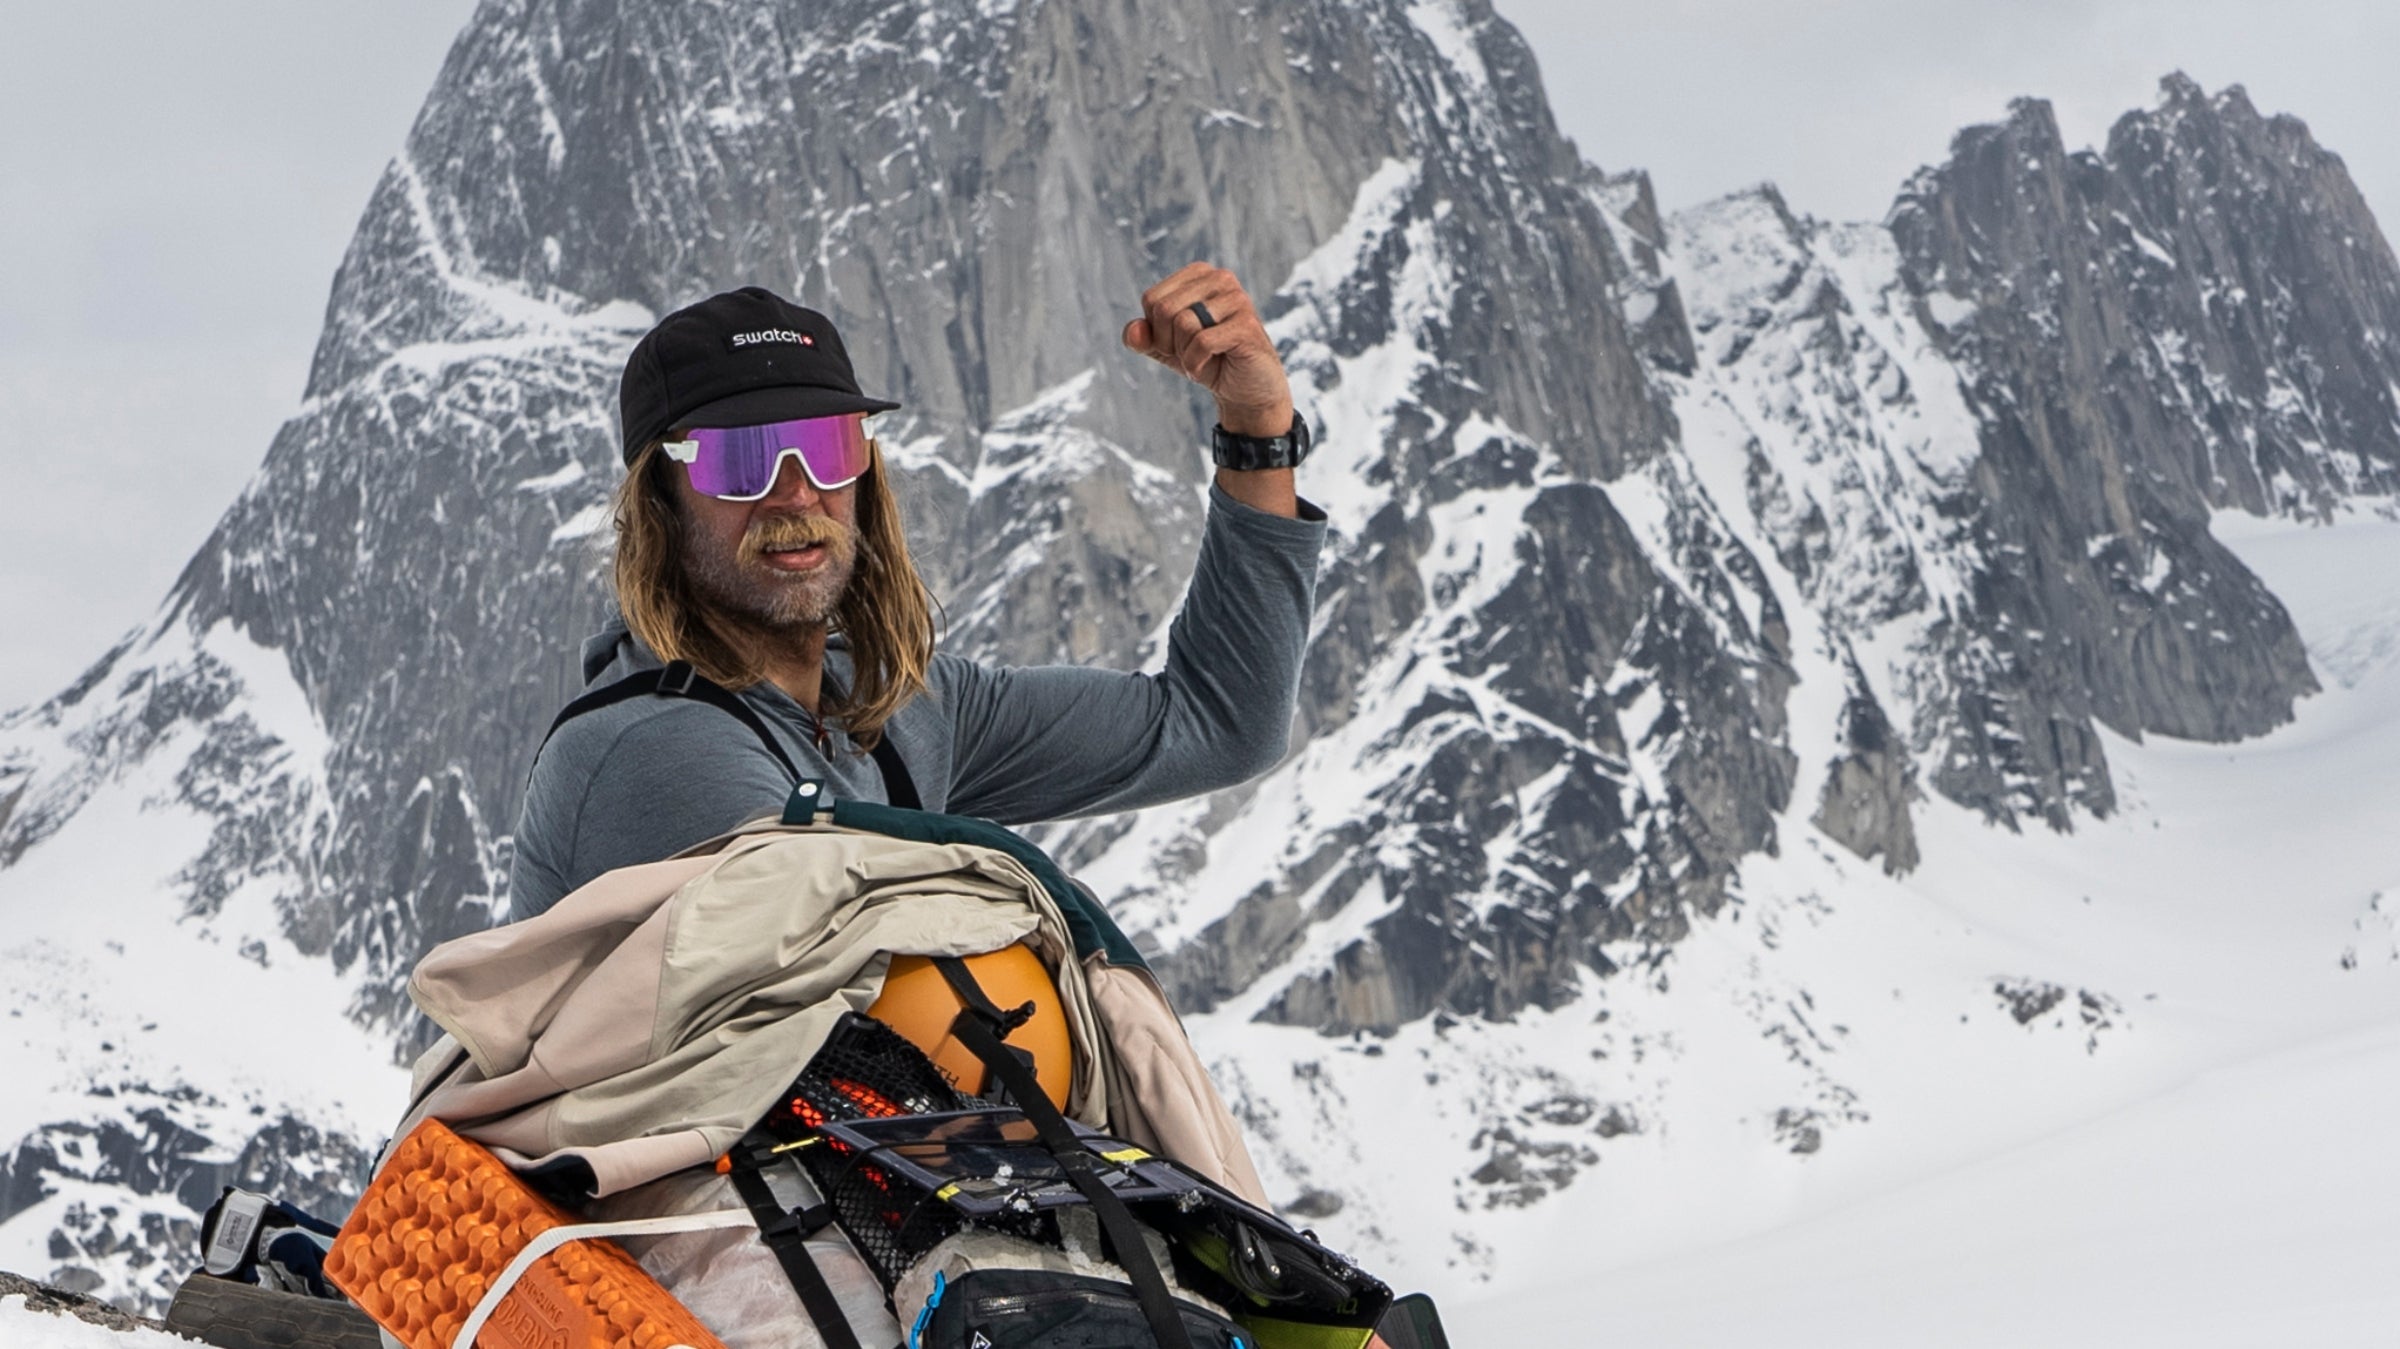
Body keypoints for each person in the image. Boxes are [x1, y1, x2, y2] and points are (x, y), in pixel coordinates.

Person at [507, 265, 1324, 920]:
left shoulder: (897, 713)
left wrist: (1258, 433)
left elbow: (1218, 725)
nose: (795, 496)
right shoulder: (650, 746)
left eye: (826, 446)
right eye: (740, 460)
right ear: (659, 504)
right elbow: (847, 983)